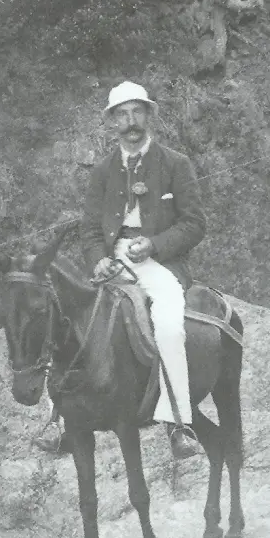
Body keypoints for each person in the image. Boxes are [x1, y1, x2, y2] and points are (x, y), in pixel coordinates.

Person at [79, 81, 207, 459]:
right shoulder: (102, 172)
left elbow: (194, 223)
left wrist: (155, 244)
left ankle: (178, 423)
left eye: (137, 112)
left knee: (169, 323)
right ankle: (59, 418)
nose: (131, 121)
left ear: (149, 115)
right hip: (111, 261)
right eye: (122, 114)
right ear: (112, 122)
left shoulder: (175, 163)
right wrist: (97, 259)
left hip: (157, 260)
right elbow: (88, 229)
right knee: (71, 318)